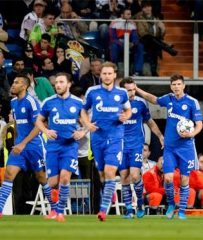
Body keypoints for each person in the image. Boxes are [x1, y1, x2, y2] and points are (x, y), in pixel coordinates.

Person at [136, 74, 203, 220]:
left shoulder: (192, 102)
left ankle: (182, 211)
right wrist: (137, 89)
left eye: (179, 84)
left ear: (183, 85)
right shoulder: (169, 98)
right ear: (171, 86)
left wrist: (191, 133)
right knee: (168, 178)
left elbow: (199, 124)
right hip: (170, 147)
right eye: (174, 84)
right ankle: (172, 204)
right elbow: (153, 99)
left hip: (186, 147)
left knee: (185, 180)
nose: (176, 87)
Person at [35, 72, 91, 221]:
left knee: (65, 178)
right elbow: (39, 121)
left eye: (61, 82)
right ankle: (53, 210)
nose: (58, 85)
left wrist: (82, 132)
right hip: (53, 147)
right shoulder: (48, 102)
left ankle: (60, 212)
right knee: (53, 182)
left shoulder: (78, 103)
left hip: (70, 147)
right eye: (56, 83)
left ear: (69, 84)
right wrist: (46, 130)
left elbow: (88, 122)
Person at [0, 74, 56, 219]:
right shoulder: (13, 102)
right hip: (19, 148)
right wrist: (18, 142)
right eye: (13, 82)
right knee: (8, 175)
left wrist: (23, 143)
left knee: (41, 178)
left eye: (17, 82)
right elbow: (18, 124)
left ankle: (55, 210)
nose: (13, 85)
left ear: (24, 86)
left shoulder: (31, 102)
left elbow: (39, 126)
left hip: (34, 147)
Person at [82, 61, 132, 221]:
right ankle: (108, 192)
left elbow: (128, 109)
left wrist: (126, 116)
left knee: (110, 172)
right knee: (102, 175)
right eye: (104, 73)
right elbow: (83, 110)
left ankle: (103, 211)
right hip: (97, 138)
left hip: (115, 137)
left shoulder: (122, 93)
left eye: (110, 73)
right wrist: (87, 124)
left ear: (114, 75)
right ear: (100, 75)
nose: (107, 76)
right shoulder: (92, 91)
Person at [118, 77, 164, 219]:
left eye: (133, 89)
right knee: (124, 177)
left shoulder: (140, 103)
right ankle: (129, 210)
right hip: (120, 145)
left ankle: (139, 202)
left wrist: (160, 136)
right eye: (128, 90)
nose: (131, 93)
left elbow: (150, 122)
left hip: (136, 144)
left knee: (135, 175)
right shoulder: (115, 104)